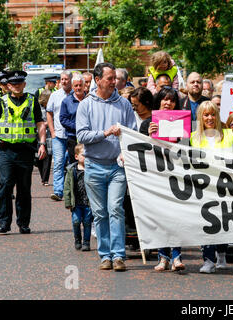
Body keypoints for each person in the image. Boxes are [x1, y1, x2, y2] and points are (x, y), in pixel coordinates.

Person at [76, 62, 137, 272]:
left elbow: (133, 131)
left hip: (117, 167)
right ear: (97, 79)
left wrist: (124, 149)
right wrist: (105, 133)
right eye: (110, 78)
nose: (115, 82)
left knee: (115, 209)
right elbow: (81, 135)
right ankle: (105, 255)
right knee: (100, 213)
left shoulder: (124, 104)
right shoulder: (85, 105)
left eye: (116, 78)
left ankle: (119, 256)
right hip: (93, 166)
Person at [0, 71, 47, 234]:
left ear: (24, 84)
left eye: (20, 82)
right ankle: (4, 222)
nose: (17, 85)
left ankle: (23, 223)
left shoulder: (32, 101)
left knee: (24, 188)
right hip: (5, 150)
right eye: (13, 83)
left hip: (26, 150)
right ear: (8, 86)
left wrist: (42, 143)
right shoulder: (1, 102)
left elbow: (40, 123)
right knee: (5, 186)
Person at [190, 101, 233, 273]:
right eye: (206, 114)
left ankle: (221, 253)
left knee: (222, 221)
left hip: (223, 186)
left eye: (213, 114)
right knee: (206, 222)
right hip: (203, 187)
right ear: (200, 117)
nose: (209, 118)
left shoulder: (229, 135)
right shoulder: (193, 137)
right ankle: (208, 259)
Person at [146, 87, 186, 272]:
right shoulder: (148, 123)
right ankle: (163, 257)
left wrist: (181, 139)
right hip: (156, 175)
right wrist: (149, 135)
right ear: (158, 101)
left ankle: (176, 256)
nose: (168, 103)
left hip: (176, 175)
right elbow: (141, 150)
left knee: (176, 217)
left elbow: (187, 148)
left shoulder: (183, 122)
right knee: (160, 217)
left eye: (171, 100)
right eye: (164, 99)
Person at [47, 70, 72, 201]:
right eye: (62, 79)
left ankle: (71, 192)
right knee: (58, 163)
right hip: (58, 135)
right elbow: (49, 113)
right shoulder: (55, 95)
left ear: (71, 80)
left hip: (72, 136)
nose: (63, 81)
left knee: (72, 164)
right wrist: (52, 131)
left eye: (66, 79)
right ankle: (58, 191)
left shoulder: (77, 95)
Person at [64, 144, 93, 251]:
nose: (86, 157)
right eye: (83, 155)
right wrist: (68, 202)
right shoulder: (72, 170)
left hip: (88, 202)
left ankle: (86, 242)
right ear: (76, 156)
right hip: (76, 202)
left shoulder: (92, 169)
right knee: (76, 221)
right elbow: (67, 187)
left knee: (87, 222)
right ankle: (77, 239)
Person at [60, 73, 86, 165]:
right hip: (72, 138)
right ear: (72, 87)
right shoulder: (66, 101)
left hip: (88, 137)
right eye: (76, 86)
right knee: (74, 164)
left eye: (80, 85)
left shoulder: (90, 99)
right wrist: (76, 126)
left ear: (84, 86)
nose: (78, 88)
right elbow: (63, 119)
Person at [35, 89, 53, 186]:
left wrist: (47, 123)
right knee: (39, 158)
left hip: (49, 136)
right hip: (39, 135)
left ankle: (45, 179)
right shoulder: (38, 108)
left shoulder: (52, 108)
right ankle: (43, 176)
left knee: (48, 158)